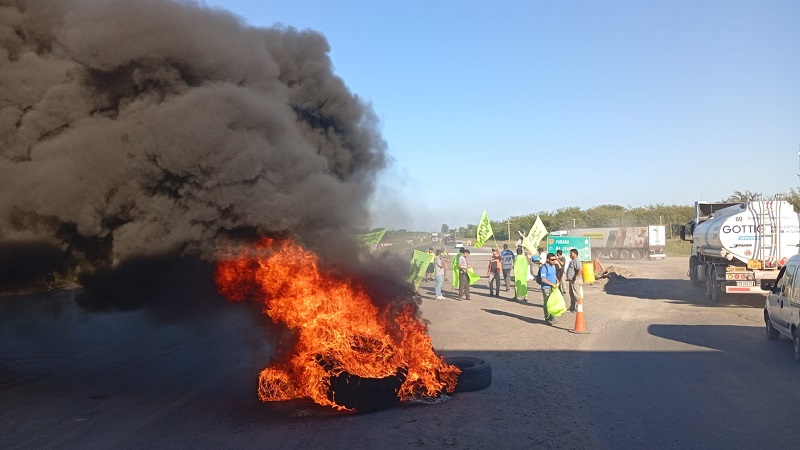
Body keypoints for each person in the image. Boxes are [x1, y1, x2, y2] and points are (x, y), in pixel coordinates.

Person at [538, 252, 559, 325]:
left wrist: (557, 280)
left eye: (554, 259)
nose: (553, 261)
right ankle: (548, 318)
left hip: (553, 287)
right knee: (547, 303)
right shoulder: (544, 267)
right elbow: (543, 279)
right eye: (552, 260)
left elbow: (554, 274)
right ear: (547, 259)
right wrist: (552, 284)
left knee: (552, 303)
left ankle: (552, 317)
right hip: (546, 287)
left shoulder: (553, 266)